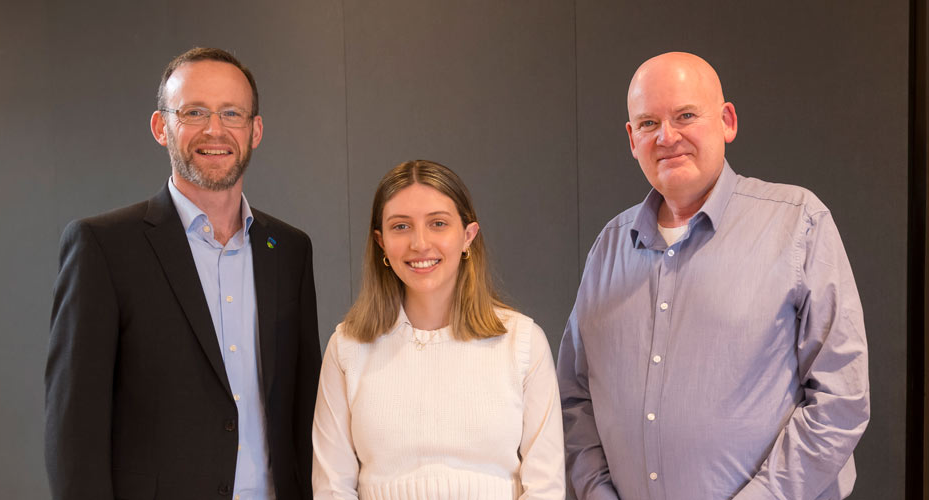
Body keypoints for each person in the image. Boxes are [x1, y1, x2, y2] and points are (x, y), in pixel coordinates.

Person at [557, 52, 869, 500]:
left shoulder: (798, 223)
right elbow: (575, 399)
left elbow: (841, 400)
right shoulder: (609, 246)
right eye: (648, 123)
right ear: (631, 138)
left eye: (685, 115)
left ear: (726, 121)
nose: (667, 136)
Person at [45, 47, 321, 500]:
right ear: (162, 127)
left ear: (255, 130)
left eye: (232, 113)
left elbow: (303, 403)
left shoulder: (290, 250)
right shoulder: (104, 246)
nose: (215, 129)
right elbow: (74, 426)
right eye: (194, 111)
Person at [312, 160, 565, 499]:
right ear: (381, 242)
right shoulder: (347, 348)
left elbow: (545, 488)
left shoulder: (523, 343)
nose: (420, 243)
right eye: (401, 227)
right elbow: (332, 488)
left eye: (438, 223)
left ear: (467, 236)